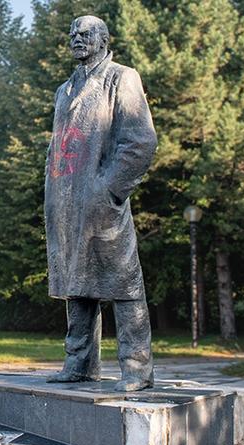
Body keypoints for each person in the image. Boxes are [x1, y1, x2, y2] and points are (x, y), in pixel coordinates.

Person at [43, 15, 158, 392]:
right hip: (65, 201)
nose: (76, 37)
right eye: (72, 32)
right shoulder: (64, 89)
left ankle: (137, 369)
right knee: (76, 284)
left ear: (104, 39)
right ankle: (79, 362)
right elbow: (58, 146)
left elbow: (140, 141)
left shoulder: (121, 78)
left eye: (85, 32)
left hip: (101, 199)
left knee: (123, 281)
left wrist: (108, 189)